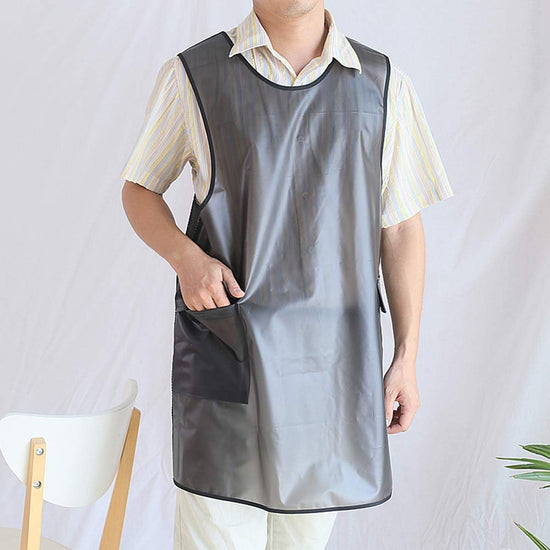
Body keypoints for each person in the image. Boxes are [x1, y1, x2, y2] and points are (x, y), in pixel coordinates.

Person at [120, 1, 454, 548]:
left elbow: (399, 228)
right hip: (231, 354)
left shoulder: (382, 83)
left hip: (332, 370)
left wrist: (406, 356)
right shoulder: (195, 74)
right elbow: (139, 188)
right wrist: (187, 258)